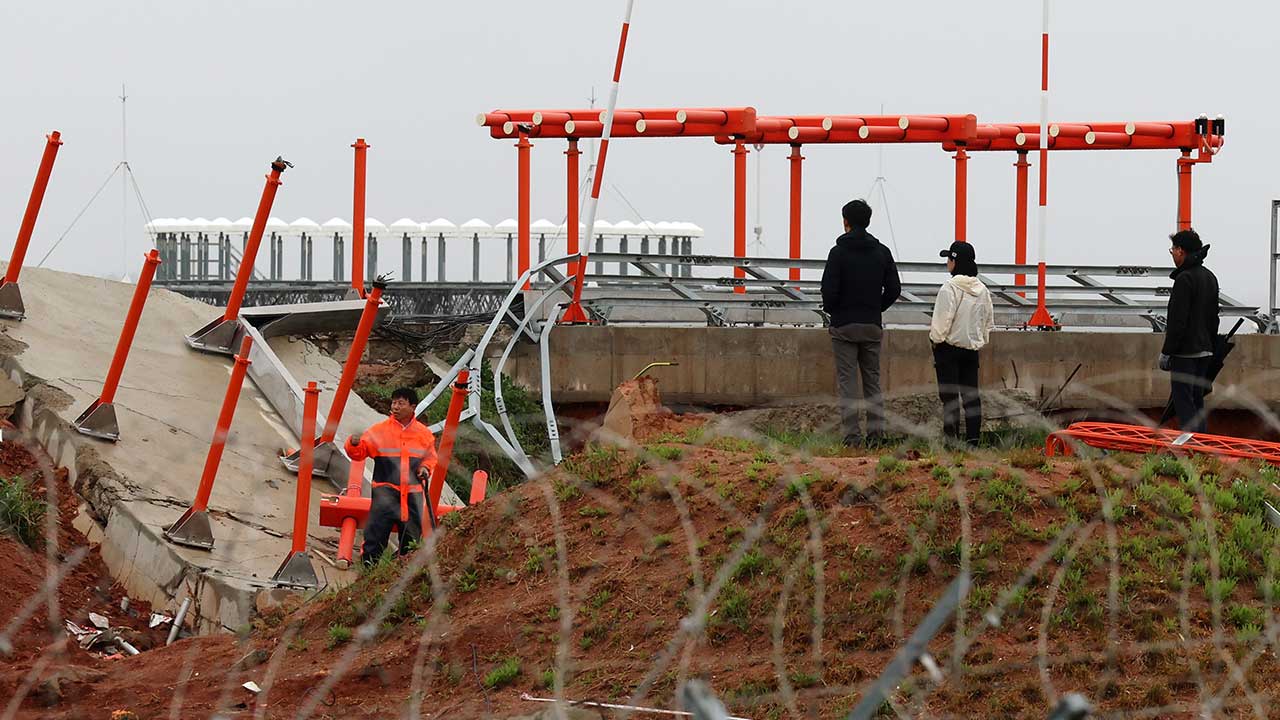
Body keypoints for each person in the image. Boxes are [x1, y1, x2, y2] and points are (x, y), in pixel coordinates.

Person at [820, 199, 901, 446]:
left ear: (846, 221)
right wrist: (876, 308)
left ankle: (852, 438)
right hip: (871, 325)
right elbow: (894, 288)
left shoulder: (837, 253)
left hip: (844, 326)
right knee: (872, 383)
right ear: (868, 221)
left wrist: (836, 312)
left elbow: (828, 291)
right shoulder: (882, 252)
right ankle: (876, 437)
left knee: (848, 384)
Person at [346, 387, 439, 565]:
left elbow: (430, 457)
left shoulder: (424, 435)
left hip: (413, 497)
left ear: (413, 407)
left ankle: (402, 575)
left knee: (411, 541)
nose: (395, 407)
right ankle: (367, 574)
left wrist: (426, 468)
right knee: (375, 536)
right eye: (394, 402)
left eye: (400, 403)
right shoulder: (379, 431)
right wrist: (354, 443)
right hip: (385, 495)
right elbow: (359, 453)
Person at [929, 242, 995, 447]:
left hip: (947, 349)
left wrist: (935, 340)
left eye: (949, 259)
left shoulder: (949, 288)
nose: (947, 263)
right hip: (971, 350)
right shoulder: (982, 290)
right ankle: (973, 441)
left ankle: (951, 441)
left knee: (949, 397)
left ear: (955, 262)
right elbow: (988, 321)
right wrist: (979, 341)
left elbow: (942, 321)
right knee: (971, 397)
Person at [1160, 229, 1219, 434]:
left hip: (1185, 354)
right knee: (1196, 400)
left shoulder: (1184, 279)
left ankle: (1191, 446)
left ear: (1181, 251)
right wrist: (1211, 347)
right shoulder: (1210, 277)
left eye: (1173, 250)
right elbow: (1214, 318)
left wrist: (1167, 352)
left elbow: (1178, 322)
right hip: (1205, 352)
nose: (1172, 254)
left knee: (1183, 401)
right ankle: (1201, 446)